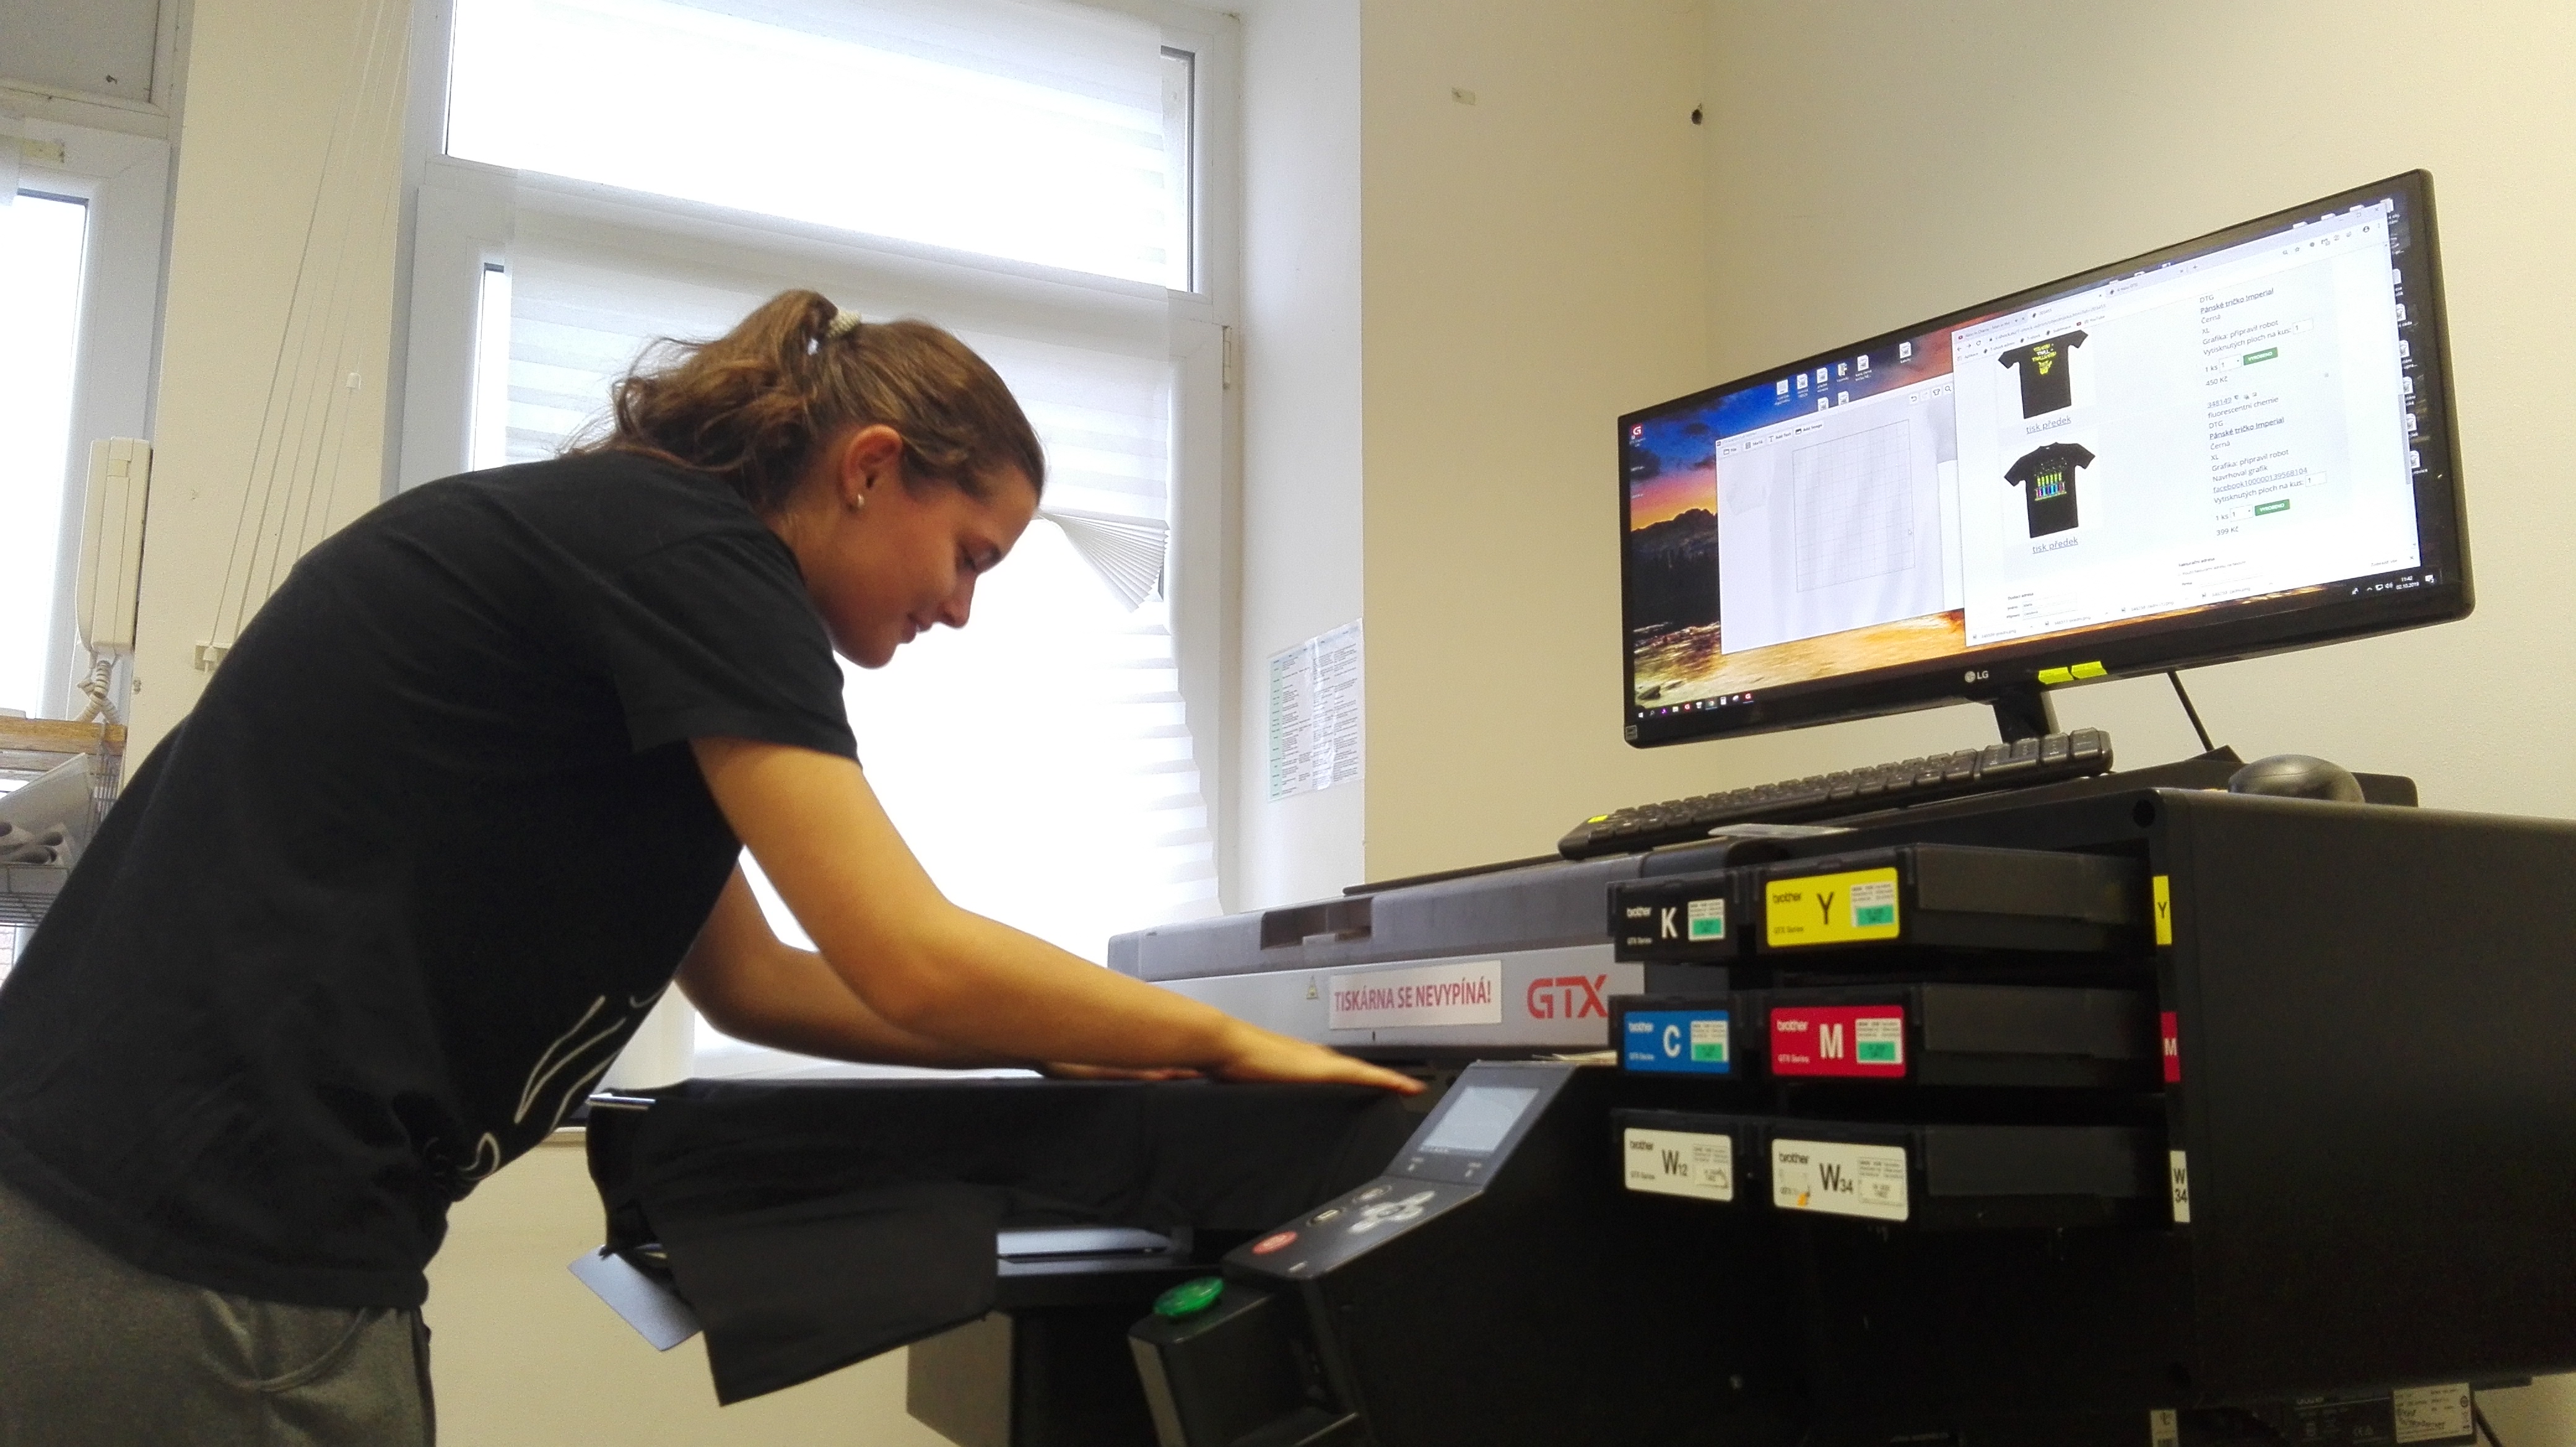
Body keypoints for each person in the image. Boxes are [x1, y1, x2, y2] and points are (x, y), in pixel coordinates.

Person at [0, 290, 1416, 1445]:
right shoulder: (699, 558)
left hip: (127, 1200)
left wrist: (1067, 1046)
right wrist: (1222, 1041)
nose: (962, 610)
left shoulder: (635, 561)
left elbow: (756, 982)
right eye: (968, 554)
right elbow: (903, 951)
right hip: (196, 1234)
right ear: (870, 468)